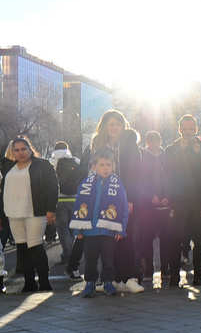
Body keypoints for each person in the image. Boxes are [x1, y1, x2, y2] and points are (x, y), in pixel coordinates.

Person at [81, 110, 143, 293]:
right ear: (104, 127)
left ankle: (131, 277)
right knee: (108, 240)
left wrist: (131, 198)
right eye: (110, 124)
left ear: (123, 126)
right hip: (103, 198)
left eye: (117, 124)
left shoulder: (130, 144)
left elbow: (136, 173)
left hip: (124, 198)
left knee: (128, 237)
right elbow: (89, 171)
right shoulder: (96, 145)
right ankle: (112, 279)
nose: (114, 127)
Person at [164, 115, 201, 287]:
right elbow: (167, 171)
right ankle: (174, 277)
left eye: (191, 129)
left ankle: (199, 277)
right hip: (178, 202)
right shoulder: (171, 149)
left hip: (200, 202)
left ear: (196, 130)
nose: (188, 132)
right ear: (179, 130)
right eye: (185, 129)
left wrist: (198, 153)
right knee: (175, 241)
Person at [0, 136, 58, 292]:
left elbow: (52, 187)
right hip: (13, 213)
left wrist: (51, 209)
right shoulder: (8, 168)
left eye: (23, 149)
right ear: (12, 152)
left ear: (30, 149)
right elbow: (3, 191)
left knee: (35, 246)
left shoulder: (42, 165)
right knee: (22, 248)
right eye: (16, 150)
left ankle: (45, 283)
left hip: (35, 211)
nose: (20, 153)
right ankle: (29, 283)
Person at [70, 149, 130, 297]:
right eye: (102, 165)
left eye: (108, 165)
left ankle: (107, 283)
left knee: (108, 260)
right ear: (94, 166)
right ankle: (90, 283)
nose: (105, 168)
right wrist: (78, 230)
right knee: (90, 260)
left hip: (108, 231)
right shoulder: (86, 184)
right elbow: (78, 206)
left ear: (113, 167)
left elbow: (123, 208)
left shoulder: (118, 185)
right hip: (90, 232)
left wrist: (121, 229)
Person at [138, 131, 169, 284]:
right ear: (147, 143)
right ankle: (148, 269)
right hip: (148, 206)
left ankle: (165, 269)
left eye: (156, 142)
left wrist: (167, 196)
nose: (154, 145)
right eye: (151, 142)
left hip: (165, 204)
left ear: (160, 142)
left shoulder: (166, 156)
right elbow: (141, 181)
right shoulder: (142, 157)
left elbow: (171, 178)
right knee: (147, 239)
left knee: (166, 239)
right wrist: (151, 196)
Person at [51, 141, 83, 280]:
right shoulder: (76, 160)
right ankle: (69, 254)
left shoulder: (51, 162)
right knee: (72, 228)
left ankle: (68, 253)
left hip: (59, 200)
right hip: (75, 199)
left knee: (62, 228)